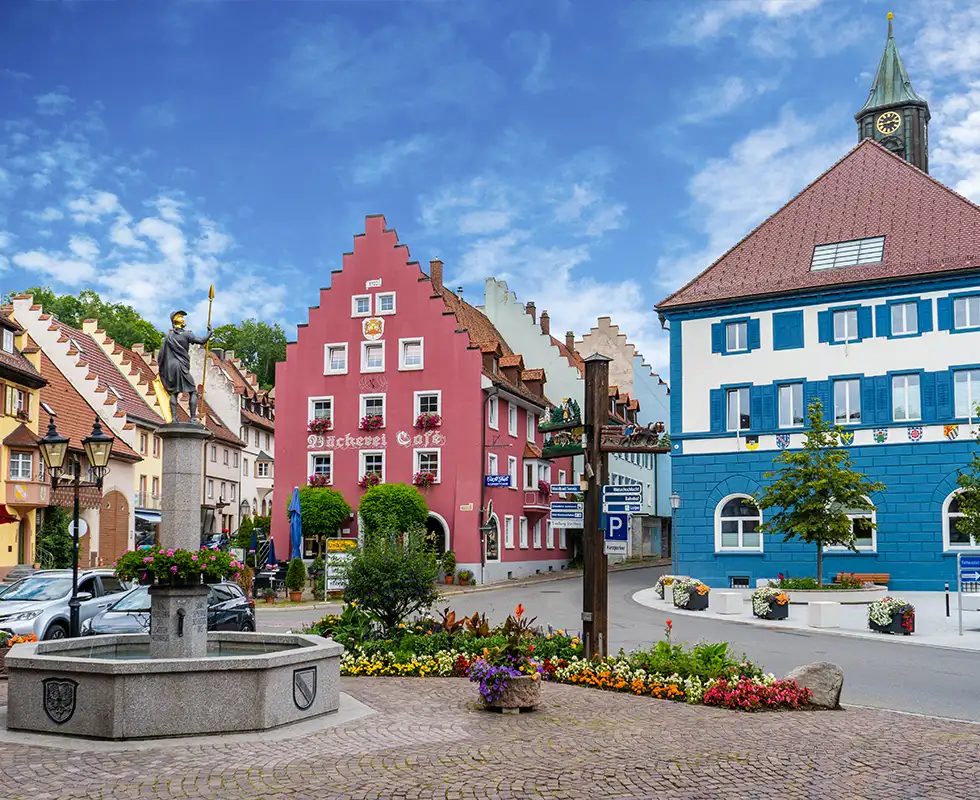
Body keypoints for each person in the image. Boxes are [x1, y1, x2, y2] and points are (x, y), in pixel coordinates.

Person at [157, 309, 211, 422]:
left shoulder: (168, 338)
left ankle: (174, 418)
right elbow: (201, 341)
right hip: (181, 366)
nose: (184, 319)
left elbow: (161, 356)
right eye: (182, 318)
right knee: (192, 391)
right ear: (181, 322)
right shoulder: (187, 335)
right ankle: (192, 418)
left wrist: (163, 369)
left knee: (174, 392)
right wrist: (209, 333)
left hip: (171, 367)